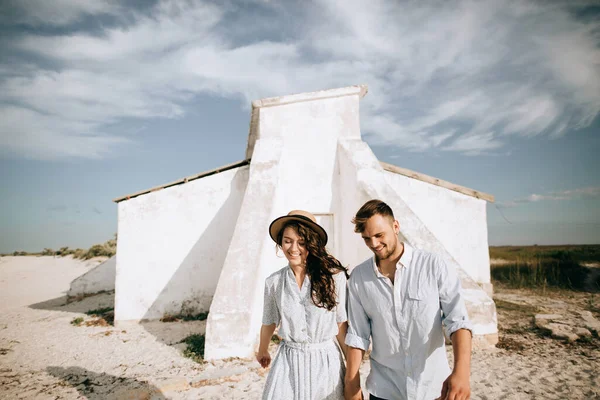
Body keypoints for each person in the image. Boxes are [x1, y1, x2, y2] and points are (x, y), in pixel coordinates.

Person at [344, 200, 473, 400]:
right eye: (367, 239)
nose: (374, 244)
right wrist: (351, 383)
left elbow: (458, 322)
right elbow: (358, 335)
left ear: (396, 226)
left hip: (433, 388)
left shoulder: (434, 265)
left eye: (379, 235)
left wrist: (462, 373)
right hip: (384, 390)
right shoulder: (358, 278)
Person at [257, 210, 349, 400]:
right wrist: (263, 349)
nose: (293, 248)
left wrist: (352, 372)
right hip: (288, 362)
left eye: (302, 242)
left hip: (325, 361)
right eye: (287, 241)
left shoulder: (334, 278)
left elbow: (341, 324)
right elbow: (269, 320)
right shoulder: (273, 282)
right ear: (280, 243)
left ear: (312, 243)